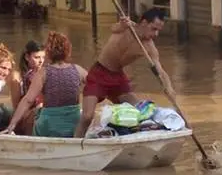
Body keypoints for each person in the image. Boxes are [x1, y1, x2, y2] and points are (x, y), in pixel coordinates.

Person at [73, 8, 172, 138]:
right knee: (87, 117)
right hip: (99, 73)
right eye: (154, 29)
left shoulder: (149, 46)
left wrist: (169, 88)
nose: (156, 34)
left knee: (139, 113)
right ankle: (76, 142)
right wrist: (121, 24)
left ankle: (129, 140)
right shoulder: (127, 26)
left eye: (159, 30)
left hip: (118, 78)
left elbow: (160, 70)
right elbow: (113, 28)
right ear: (143, 23)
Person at [1, 31, 88, 138]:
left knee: (38, 116)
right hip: (74, 124)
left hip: (49, 126)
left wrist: (12, 124)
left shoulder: (43, 72)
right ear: (68, 51)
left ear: (48, 52)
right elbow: (96, 87)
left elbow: (28, 100)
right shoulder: (78, 70)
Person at [8, 40, 45, 135]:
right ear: (27, 57)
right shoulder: (16, 77)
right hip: (24, 117)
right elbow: (16, 107)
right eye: (37, 57)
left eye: (43, 57)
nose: (41, 61)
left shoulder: (44, 73)